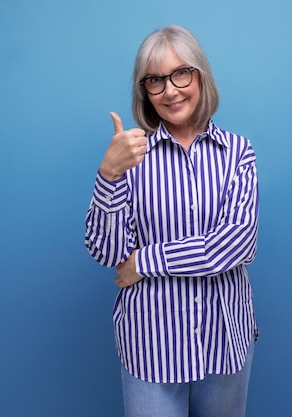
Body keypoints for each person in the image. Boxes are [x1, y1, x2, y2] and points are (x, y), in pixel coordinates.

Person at [85, 25, 260, 417]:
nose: (170, 90)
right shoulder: (130, 156)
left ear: (201, 76)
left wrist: (143, 263)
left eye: (181, 73)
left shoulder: (238, 153)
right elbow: (106, 252)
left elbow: (236, 244)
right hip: (151, 346)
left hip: (224, 339)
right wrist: (109, 176)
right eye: (155, 80)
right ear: (144, 90)